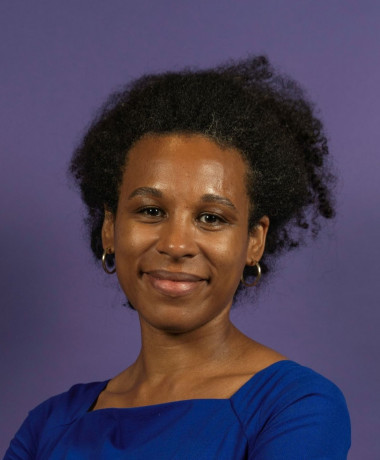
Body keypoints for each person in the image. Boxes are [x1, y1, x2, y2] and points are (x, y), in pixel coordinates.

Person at [5, 55, 350, 459]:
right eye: (151, 211)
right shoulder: (50, 425)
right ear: (110, 229)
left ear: (254, 241)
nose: (175, 244)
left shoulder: (296, 408)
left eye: (211, 217)